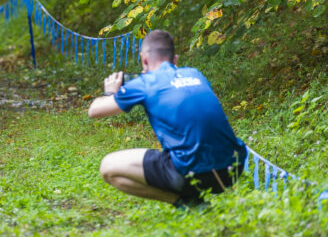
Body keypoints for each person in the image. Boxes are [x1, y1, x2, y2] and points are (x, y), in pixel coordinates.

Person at [88, 30, 247, 208]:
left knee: (108, 167)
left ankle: (186, 203)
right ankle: (192, 198)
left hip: (191, 173)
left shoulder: (145, 83)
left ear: (144, 60)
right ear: (176, 60)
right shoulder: (195, 74)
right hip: (233, 169)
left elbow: (94, 111)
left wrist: (110, 92)